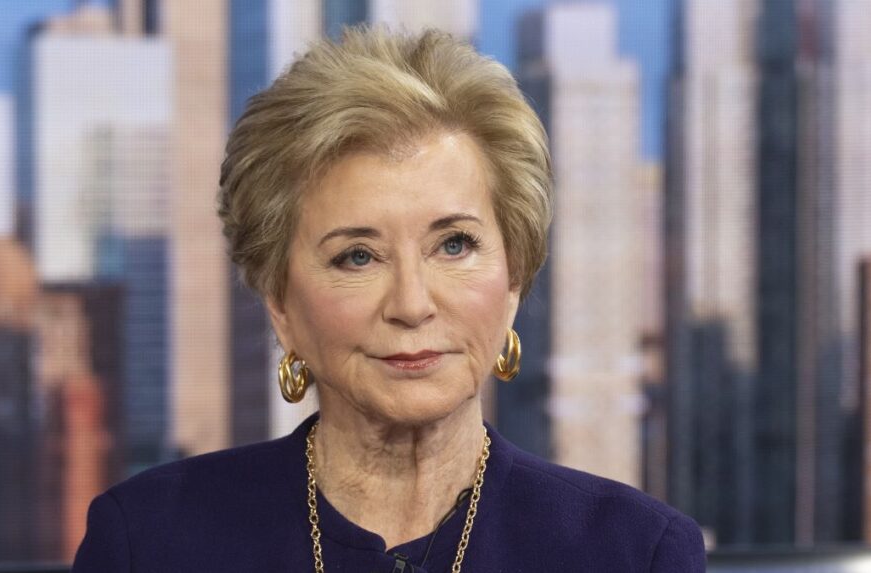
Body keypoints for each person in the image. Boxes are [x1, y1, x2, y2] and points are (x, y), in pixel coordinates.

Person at [72, 26, 706, 572]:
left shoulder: (635, 551)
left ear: (514, 278)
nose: (411, 303)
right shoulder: (147, 540)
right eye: (358, 255)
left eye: (454, 245)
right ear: (280, 303)